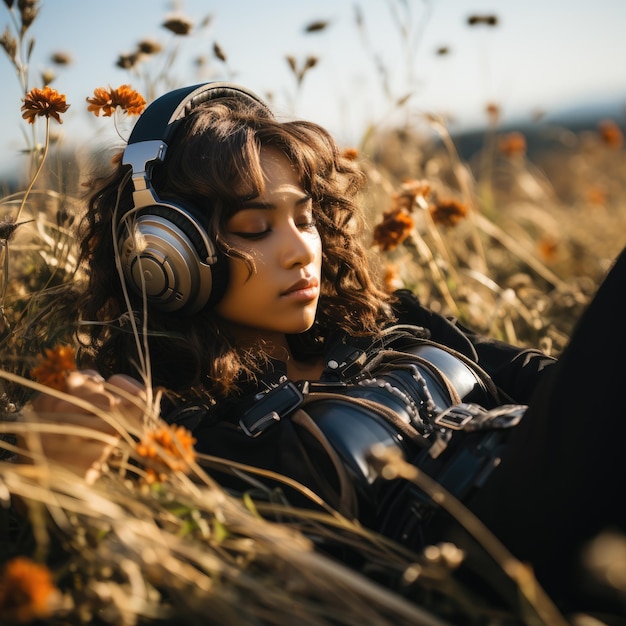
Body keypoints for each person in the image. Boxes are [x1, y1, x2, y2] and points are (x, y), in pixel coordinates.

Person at [29, 82, 626, 620]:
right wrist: (65, 476)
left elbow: (547, 380)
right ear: (168, 257)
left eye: (305, 218)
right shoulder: (177, 419)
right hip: (487, 554)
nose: (299, 251)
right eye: (254, 228)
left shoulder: (377, 318)